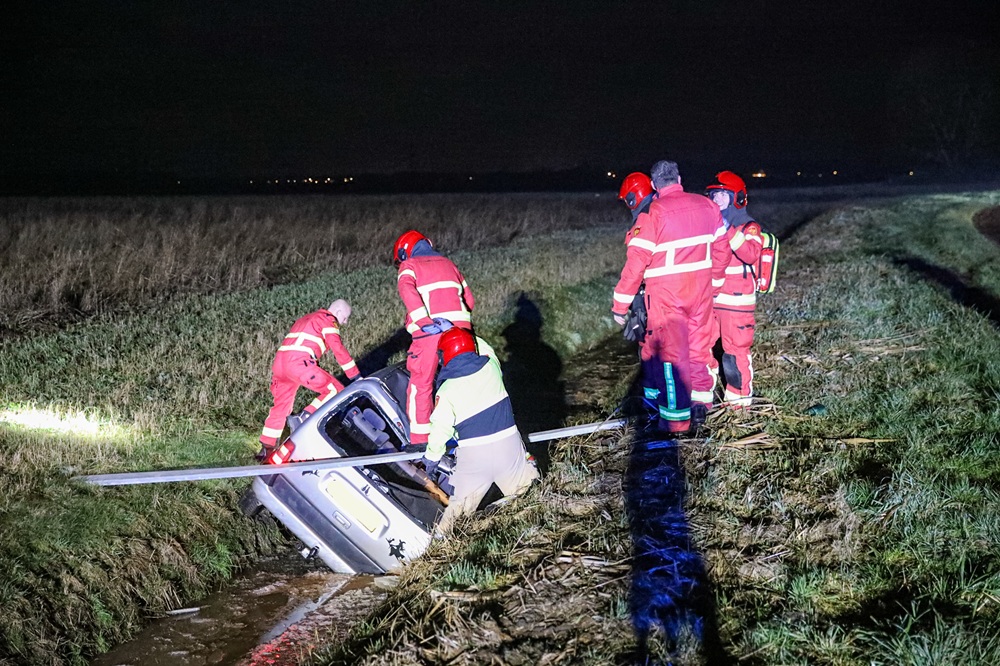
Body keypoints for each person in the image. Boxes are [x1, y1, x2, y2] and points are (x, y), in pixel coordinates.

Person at [611, 160, 730, 435]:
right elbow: (721, 250)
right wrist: (715, 283)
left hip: (667, 298)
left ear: (654, 185)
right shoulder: (707, 206)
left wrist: (620, 305)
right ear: (679, 177)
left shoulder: (653, 214)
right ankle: (702, 406)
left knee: (673, 357)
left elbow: (635, 265)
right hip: (701, 292)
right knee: (700, 350)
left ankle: (676, 425)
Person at [421, 327, 538, 533]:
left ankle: (439, 547)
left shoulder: (446, 391)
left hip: (475, 458)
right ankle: (535, 529)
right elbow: (486, 349)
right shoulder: (491, 368)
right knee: (530, 496)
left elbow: (440, 429)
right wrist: (464, 327)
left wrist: (431, 459)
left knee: (457, 514)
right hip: (508, 447)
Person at [394, 230, 475, 447]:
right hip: (462, 334)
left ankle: (420, 443)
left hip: (430, 333)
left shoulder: (409, 266)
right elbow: (470, 300)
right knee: (463, 381)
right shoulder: (449, 264)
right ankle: (468, 434)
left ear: (404, 252)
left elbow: (407, 291)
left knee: (421, 385)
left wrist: (423, 321)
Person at [259, 299, 360, 454]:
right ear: (338, 312)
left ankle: (266, 447)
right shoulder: (328, 320)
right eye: (345, 318)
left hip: (280, 365)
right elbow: (338, 349)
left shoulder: (305, 319)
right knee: (336, 390)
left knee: (282, 405)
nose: (345, 323)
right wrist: (356, 376)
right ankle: (303, 418)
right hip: (299, 364)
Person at [705, 171, 763, 407]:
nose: (717, 201)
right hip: (711, 299)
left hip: (737, 302)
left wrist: (728, 229)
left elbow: (751, 253)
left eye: (722, 196)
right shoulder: (710, 227)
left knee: (734, 354)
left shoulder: (749, 227)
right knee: (701, 350)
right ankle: (703, 400)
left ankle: (738, 407)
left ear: (737, 198)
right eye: (714, 195)